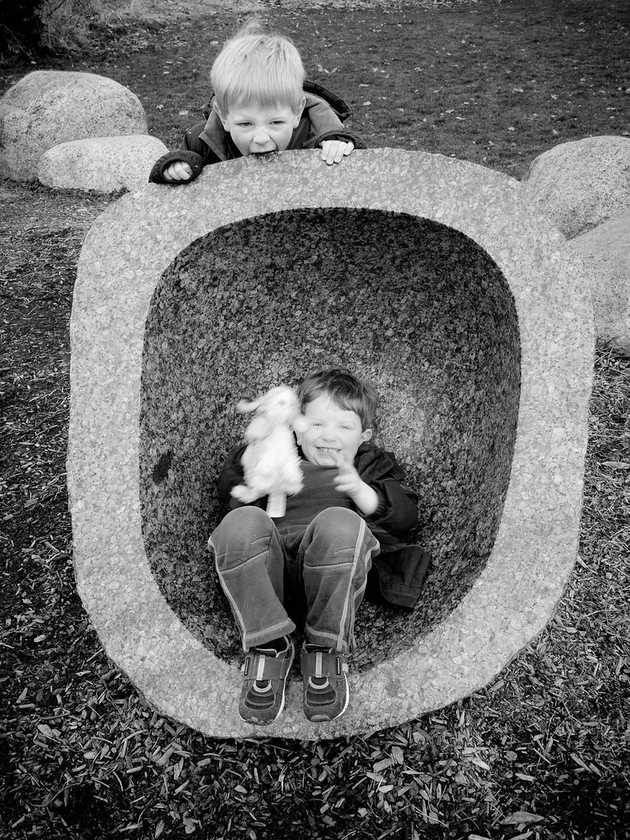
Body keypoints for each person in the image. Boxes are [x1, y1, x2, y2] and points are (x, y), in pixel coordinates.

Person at [208, 369, 430, 726]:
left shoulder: (368, 465)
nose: (329, 436)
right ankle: (268, 645)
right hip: (269, 571)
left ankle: (325, 647)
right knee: (238, 523)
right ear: (296, 426)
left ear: (364, 436)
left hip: (331, 573)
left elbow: (406, 516)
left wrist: (361, 491)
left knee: (340, 524)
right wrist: (256, 460)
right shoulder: (277, 454)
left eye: (344, 428)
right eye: (316, 425)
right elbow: (230, 490)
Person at [149, 21, 364, 185]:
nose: (261, 138)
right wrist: (174, 167)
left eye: (276, 123)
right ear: (224, 117)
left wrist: (341, 149)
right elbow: (165, 194)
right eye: (245, 124)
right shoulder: (201, 143)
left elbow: (368, 176)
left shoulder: (319, 137)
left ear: (297, 112)